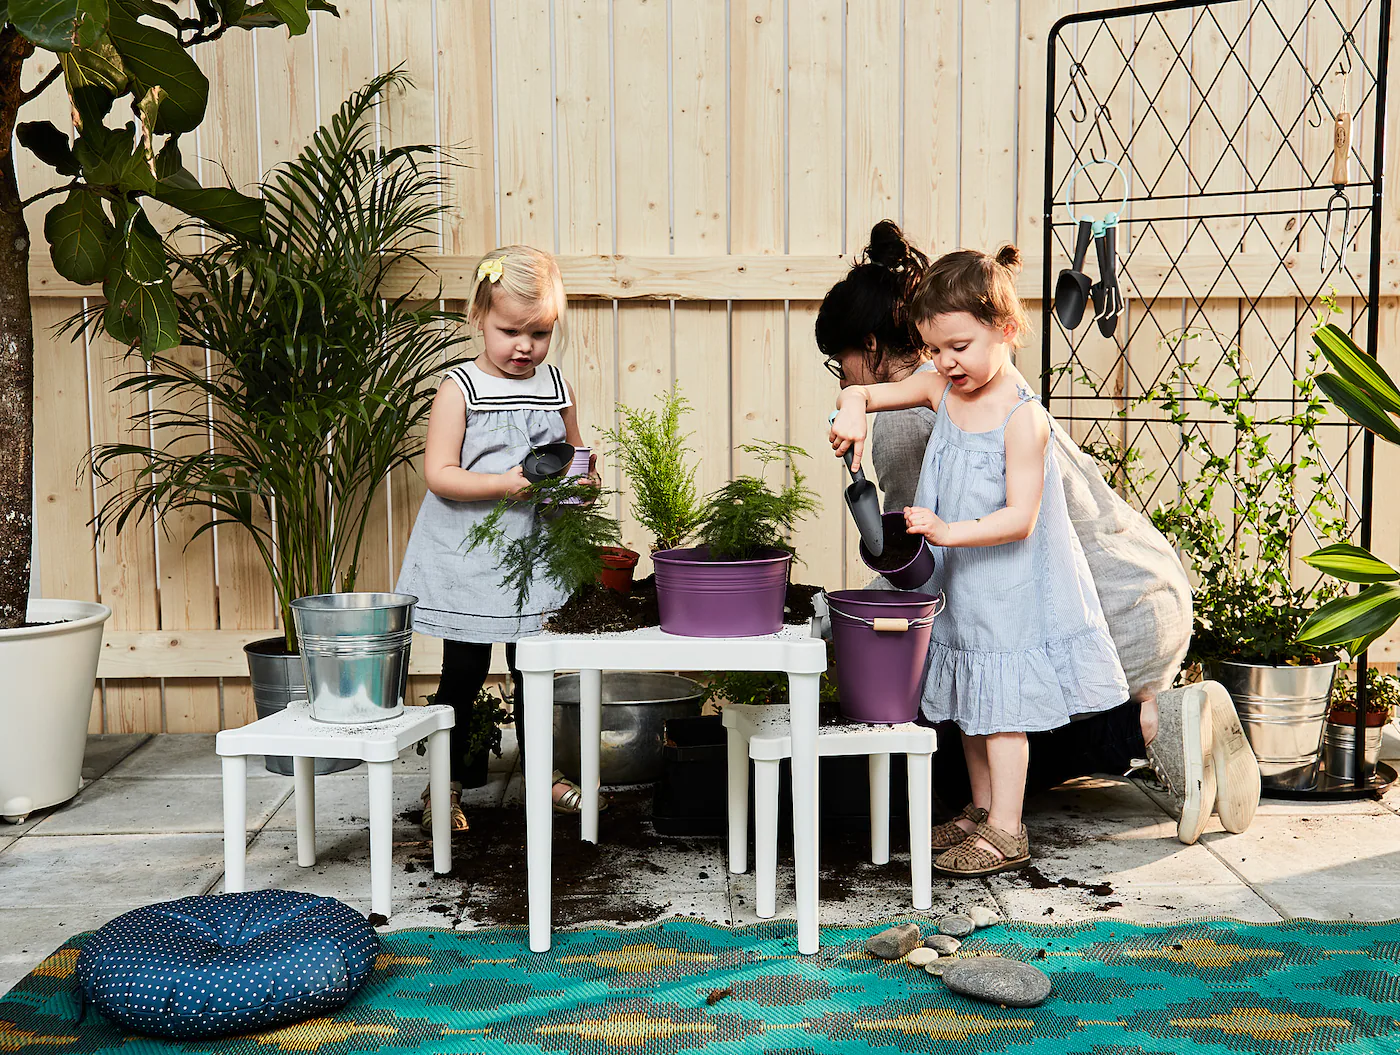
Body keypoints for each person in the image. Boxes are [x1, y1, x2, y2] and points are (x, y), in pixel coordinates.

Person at [819, 223, 1258, 848]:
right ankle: (1026, 791)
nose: (840, 377)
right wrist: (857, 402)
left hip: (1097, 613)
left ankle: (1154, 723)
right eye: (936, 349)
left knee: (963, 735)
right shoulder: (952, 384)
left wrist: (837, 616)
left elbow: (914, 557)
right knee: (970, 705)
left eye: (840, 363)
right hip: (1136, 586)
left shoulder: (949, 415)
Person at [395, 245, 598, 832]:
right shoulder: (460, 388)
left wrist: (582, 478)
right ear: (479, 316)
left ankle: (543, 773)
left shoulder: (556, 385)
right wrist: (503, 482)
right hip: (473, 555)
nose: (524, 347)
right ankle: (445, 784)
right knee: (462, 672)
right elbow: (439, 474)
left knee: (534, 668)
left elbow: (573, 452)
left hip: (535, 554)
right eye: (510, 330)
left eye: (539, 333)